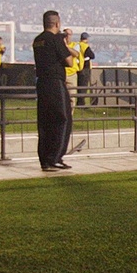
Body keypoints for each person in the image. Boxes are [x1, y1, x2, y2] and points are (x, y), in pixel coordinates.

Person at [32, 11, 74, 171]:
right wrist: (65, 46)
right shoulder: (55, 39)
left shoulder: (38, 40)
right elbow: (69, 62)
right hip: (55, 83)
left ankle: (45, 159)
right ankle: (55, 158)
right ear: (57, 23)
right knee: (62, 119)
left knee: (45, 122)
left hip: (42, 83)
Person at [76, 32, 96, 106]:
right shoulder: (84, 46)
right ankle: (81, 103)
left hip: (79, 67)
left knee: (79, 86)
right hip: (85, 68)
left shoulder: (77, 44)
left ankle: (79, 102)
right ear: (86, 39)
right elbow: (92, 55)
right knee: (83, 86)